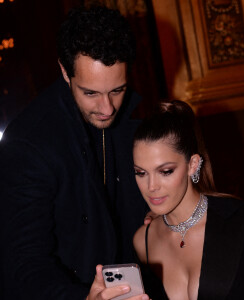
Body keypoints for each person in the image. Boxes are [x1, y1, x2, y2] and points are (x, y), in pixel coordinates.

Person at [0, 5, 150, 300]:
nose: (107, 108)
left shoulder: (137, 118)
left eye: (117, 90)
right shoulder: (29, 143)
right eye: (91, 93)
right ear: (64, 72)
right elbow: (24, 265)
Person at [132, 100, 244, 299]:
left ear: (193, 164)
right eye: (141, 173)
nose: (151, 187)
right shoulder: (143, 241)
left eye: (166, 171)